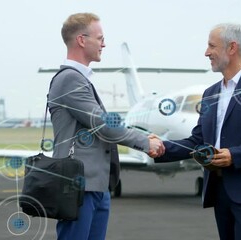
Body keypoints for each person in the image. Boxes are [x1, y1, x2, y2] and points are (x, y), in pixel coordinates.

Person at [154, 23, 241, 239]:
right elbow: (198, 140)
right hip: (219, 189)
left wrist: (235, 155)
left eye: (212, 46)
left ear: (232, 47)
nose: (206, 52)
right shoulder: (210, 93)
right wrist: (160, 148)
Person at [48, 13, 164, 240]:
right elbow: (103, 125)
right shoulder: (70, 79)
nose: (104, 44)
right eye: (100, 38)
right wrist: (144, 142)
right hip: (79, 187)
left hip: (95, 186)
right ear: (82, 40)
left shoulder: (79, 79)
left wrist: (141, 135)